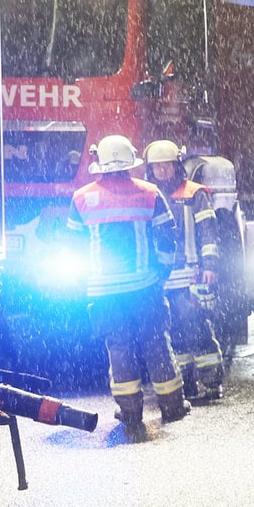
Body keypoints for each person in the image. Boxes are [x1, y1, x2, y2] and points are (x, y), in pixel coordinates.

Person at [67, 134, 190, 440]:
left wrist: (85, 280)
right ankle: (172, 406)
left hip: (104, 293)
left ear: (101, 163)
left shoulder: (81, 198)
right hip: (144, 288)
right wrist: (161, 272)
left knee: (119, 348)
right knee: (156, 344)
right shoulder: (150, 193)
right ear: (130, 162)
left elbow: (71, 246)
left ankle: (130, 410)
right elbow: (166, 237)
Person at [143, 139, 226, 403]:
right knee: (175, 334)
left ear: (177, 165)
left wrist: (210, 265)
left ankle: (212, 385)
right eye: (157, 167)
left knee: (198, 329)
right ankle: (186, 386)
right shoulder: (149, 195)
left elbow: (208, 233)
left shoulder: (194, 193)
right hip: (165, 276)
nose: (162, 171)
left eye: (167, 166)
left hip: (191, 272)